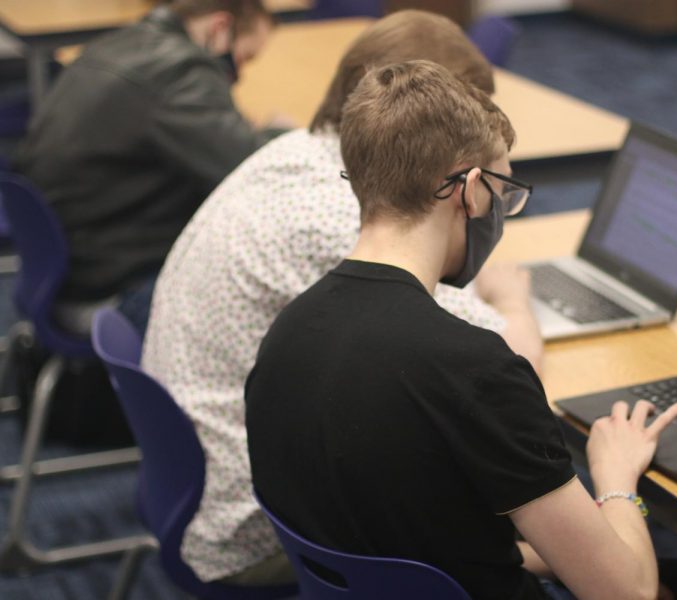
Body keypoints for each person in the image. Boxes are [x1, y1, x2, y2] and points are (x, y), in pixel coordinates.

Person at [246, 59, 677, 600]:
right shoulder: (474, 367)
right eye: (505, 191)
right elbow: (628, 594)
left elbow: (427, 536)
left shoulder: (288, 330)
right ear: (471, 192)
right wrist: (615, 481)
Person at [142, 10, 542, 586]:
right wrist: (516, 305)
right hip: (256, 531)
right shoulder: (345, 217)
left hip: (205, 481)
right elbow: (500, 365)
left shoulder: (294, 154)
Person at [14, 0, 286, 335]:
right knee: (280, 297)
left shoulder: (123, 41)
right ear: (219, 28)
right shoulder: (180, 71)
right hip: (109, 288)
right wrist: (289, 134)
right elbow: (249, 169)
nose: (238, 74)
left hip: (68, 263)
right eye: (244, 58)